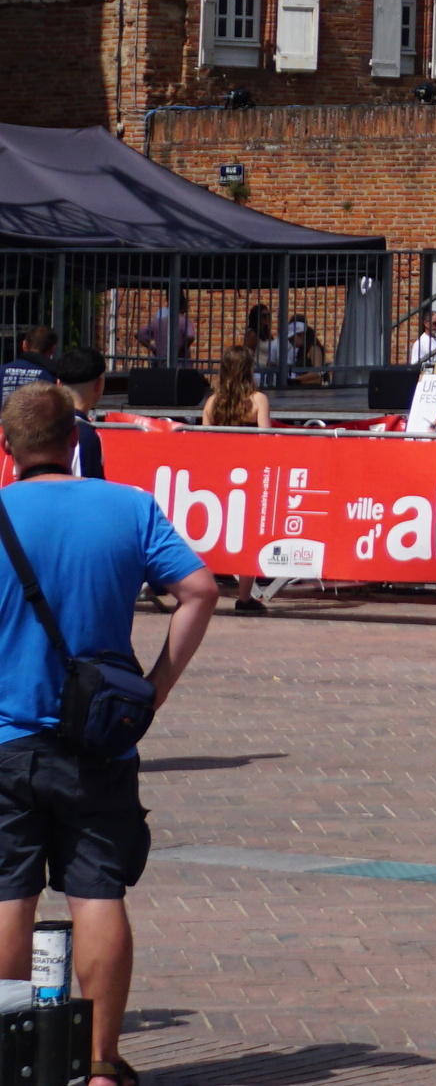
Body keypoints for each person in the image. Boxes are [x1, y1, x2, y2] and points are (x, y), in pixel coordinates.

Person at [0, 379, 221, 1086]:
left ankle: (10, 1058)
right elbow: (200, 589)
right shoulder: (128, 506)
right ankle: (99, 1062)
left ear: (7, 448)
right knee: (98, 893)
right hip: (100, 740)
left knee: (8, 894)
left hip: (6, 736)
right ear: (76, 441)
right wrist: (155, 688)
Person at [197, 354, 272, 618]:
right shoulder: (257, 400)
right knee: (247, 534)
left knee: (215, 531)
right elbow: (265, 439)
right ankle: (244, 596)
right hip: (248, 474)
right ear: (248, 370)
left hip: (218, 474)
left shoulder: (212, 402)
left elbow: (204, 442)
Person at [38, 355, 105, 483]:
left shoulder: (37, 424)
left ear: (58, 384)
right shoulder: (83, 435)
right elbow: (88, 492)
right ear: (98, 385)